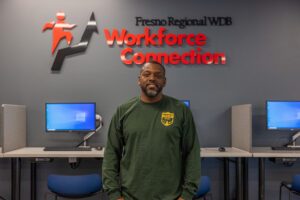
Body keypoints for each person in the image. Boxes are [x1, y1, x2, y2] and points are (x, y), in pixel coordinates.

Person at [102, 61, 201, 200]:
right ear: (139, 80)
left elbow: (192, 152)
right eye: (146, 74)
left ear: (164, 81)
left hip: (172, 196)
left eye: (158, 75)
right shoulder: (123, 111)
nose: (152, 78)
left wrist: (187, 194)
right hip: (131, 195)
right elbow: (111, 153)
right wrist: (114, 194)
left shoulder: (181, 110)